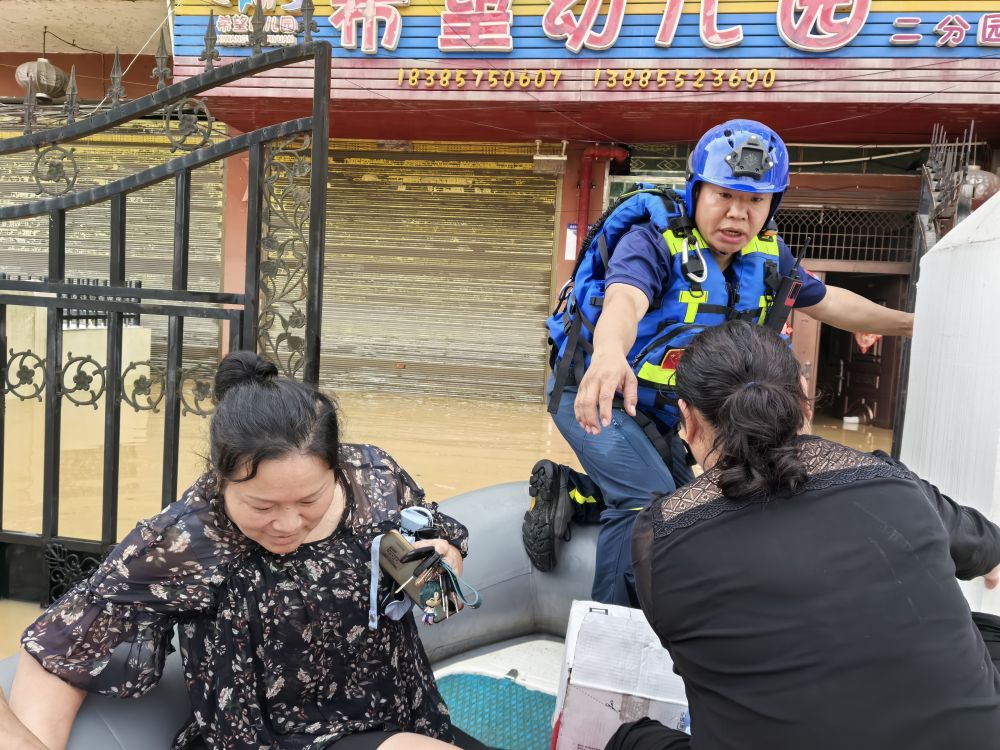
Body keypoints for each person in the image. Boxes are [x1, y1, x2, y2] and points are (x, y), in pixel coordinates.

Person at [8, 351, 490, 750]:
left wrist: (445, 558)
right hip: (278, 738)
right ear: (220, 478)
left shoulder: (374, 479)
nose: (288, 524)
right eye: (262, 506)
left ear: (335, 467)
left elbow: (437, 538)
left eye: (310, 501)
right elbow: (59, 646)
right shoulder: (188, 538)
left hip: (403, 711)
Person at [522, 119, 915, 607]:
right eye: (724, 195)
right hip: (594, 390)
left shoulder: (768, 258)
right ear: (696, 191)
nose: (737, 214)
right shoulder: (651, 240)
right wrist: (608, 353)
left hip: (661, 412)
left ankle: (572, 492)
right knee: (646, 502)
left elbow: (829, 302)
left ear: (772, 205)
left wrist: (912, 325)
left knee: (693, 503)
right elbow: (625, 298)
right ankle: (612, 626)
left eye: (754, 201)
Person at [608, 320, 1000, 750]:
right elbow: (986, 546)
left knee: (631, 739)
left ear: (688, 420)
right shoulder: (894, 480)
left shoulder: (659, 535)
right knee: (981, 631)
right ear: (803, 397)